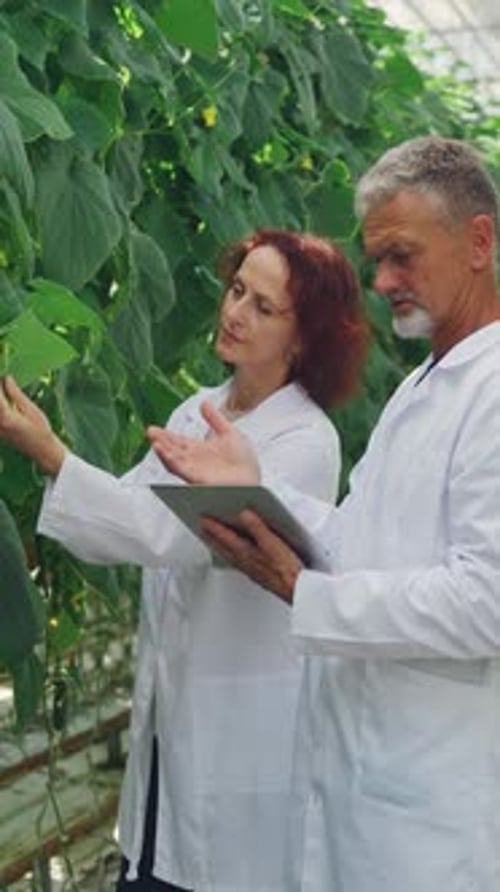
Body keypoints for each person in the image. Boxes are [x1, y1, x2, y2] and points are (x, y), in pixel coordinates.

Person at [147, 137, 500, 892]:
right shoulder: (423, 390)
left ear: (479, 241)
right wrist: (256, 484)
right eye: (377, 260)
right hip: (366, 797)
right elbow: (359, 535)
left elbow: (486, 602)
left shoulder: (493, 393)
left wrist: (303, 591)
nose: (383, 281)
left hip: (428, 825)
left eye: (402, 255)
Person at [0, 229, 368, 892]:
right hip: (172, 734)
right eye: (236, 291)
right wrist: (52, 459)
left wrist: (51, 452)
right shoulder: (196, 411)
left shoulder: (305, 440)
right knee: (153, 867)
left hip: (241, 745)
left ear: (304, 337)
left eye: (264, 307)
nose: (235, 312)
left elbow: (170, 535)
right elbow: (118, 522)